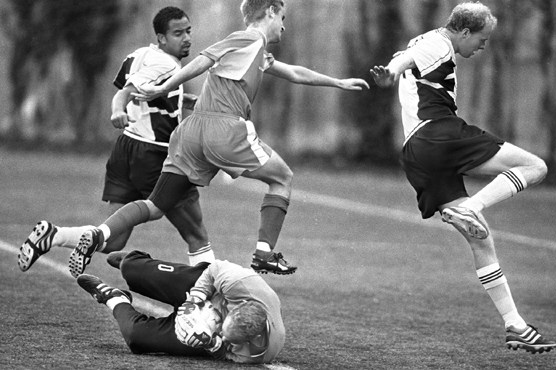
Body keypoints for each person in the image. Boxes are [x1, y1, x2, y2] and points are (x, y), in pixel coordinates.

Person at [68, 0, 370, 277]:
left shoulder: (254, 50)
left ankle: (99, 235)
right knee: (283, 178)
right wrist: (164, 88)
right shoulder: (249, 38)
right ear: (269, 12)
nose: (284, 25)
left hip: (189, 133)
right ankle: (264, 253)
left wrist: (338, 83)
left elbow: (293, 72)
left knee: (156, 206)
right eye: (282, 17)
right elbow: (203, 59)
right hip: (224, 130)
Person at [370, 2, 556, 354]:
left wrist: (395, 69)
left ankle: (515, 324)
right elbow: (404, 61)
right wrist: (391, 72)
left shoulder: (425, 41)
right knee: (536, 167)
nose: (483, 46)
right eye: (482, 39)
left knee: (480, 239)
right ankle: (471, 205)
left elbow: (407, 56)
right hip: (438, 135)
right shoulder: (439, 42)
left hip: (417, 155)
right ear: (465, 31)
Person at [18, 7, 214, 275]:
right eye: (178, 33)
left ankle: (54, 235)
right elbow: (126, 93)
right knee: (197, 235)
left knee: (115, 240)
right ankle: (208, 298)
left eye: (188, 31)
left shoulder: (139, 55)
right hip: (154, 156)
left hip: (125, 150)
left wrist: (187, 101)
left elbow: (150, 94)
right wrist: (117, 110)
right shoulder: (166, 64)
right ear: (161, 38)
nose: (187, 38)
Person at [77, 249, 284, 363]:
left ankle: (112, 297)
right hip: (207, 288)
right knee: (131, 270)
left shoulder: (257, 353)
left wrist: (212, 343)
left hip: (206, 328)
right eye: (223, 324)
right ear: (236, 305)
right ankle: (132, 263)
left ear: (250, 339)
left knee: (136, 337)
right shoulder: (239, 283)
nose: (220, 330)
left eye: (226, 336)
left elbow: (225, 354)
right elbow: (214, 269)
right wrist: (194, 300)